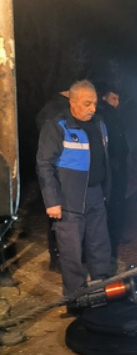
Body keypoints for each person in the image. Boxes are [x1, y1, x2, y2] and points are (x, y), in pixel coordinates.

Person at [36, 80, 112, 311]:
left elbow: (104, 161)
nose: (92, 108)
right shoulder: (57, 126)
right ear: (72, 101)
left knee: (100, 245)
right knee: (71, 252)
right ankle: (76, 300)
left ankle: (100, 290)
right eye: (87, 103)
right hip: (68, 200)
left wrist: (105, 191)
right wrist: (52, 201)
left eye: (95, 103)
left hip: (96, 195)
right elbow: (44, 165)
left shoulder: (100, 125)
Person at [35, 77, 74, 273]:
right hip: (57, 169)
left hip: (56, 169)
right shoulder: (56, 111)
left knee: (58, 217)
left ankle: (59, 256)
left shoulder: (50, 107)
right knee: (56, 216)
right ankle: (57, 257)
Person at [96, 87, 128, 262]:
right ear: (104, 97)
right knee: (111, 201)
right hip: (111, 165)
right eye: (113, 98)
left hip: (120, 163)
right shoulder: (103, 116)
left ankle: (116, 234)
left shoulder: (115, 115)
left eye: (118, 99)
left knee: (119, 200)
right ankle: (110, 237)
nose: (116, 102)